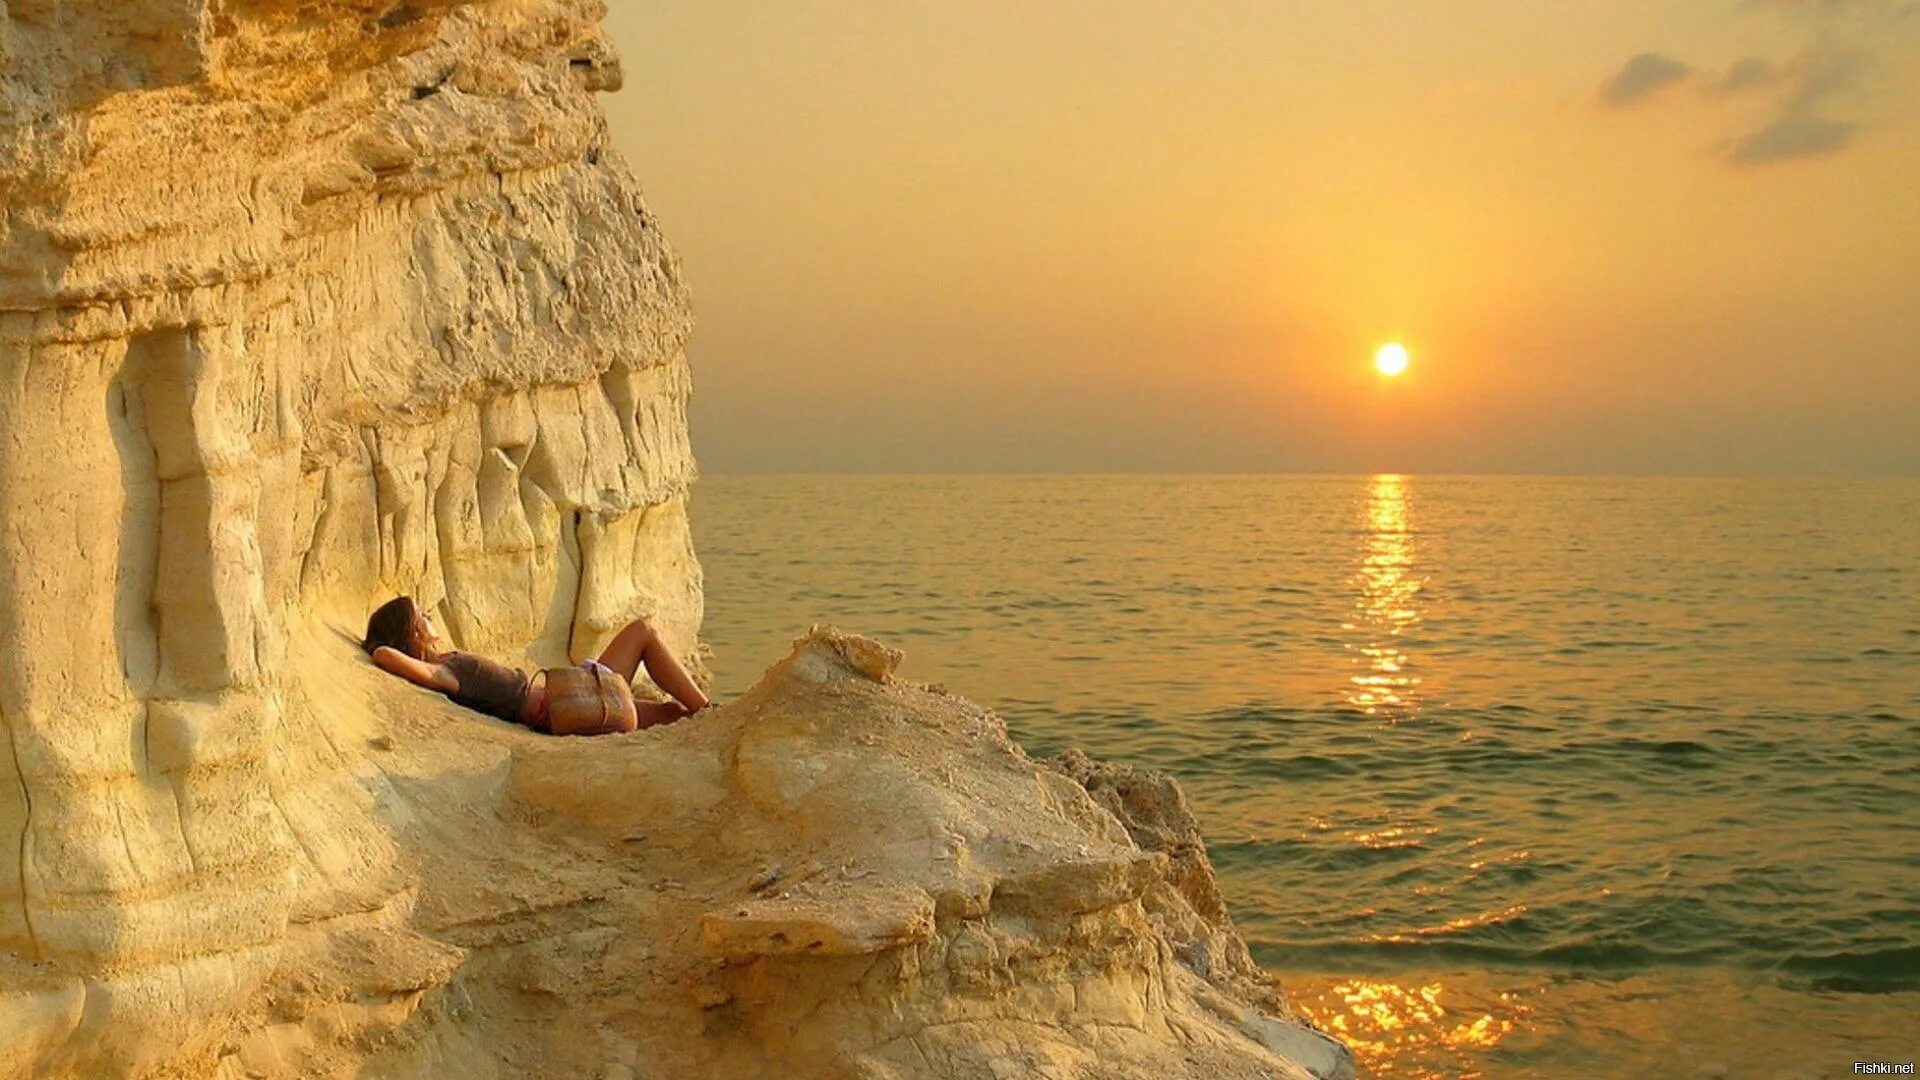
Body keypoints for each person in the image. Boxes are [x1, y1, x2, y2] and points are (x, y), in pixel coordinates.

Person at [361, 596, 708, 731]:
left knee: (672, 713)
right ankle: (709, 710)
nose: (428, 613)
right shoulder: (444, 671)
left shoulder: (447, 661)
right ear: (411, 631)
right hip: (564, 701)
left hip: (568, 695)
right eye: (421, 615)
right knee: (642, 632)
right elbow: (386, 656)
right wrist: (382, 648)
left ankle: (703, 716)